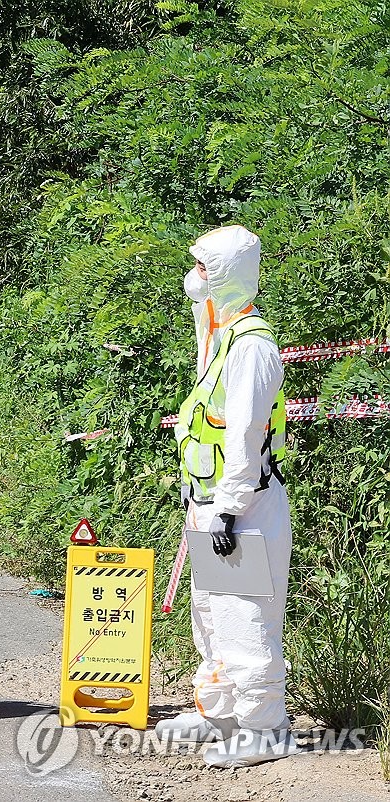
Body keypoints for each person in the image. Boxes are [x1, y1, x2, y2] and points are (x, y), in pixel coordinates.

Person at [157, 225, 297, 768]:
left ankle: (264, 728)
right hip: (213, 503)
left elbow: (244, 432)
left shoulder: (254, 347)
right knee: (211, 614)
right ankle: (219, 711)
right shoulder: (225, 337)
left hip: (243, 507)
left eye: (202, 268)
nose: (193, 277)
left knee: (245, 617)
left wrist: (231, 508)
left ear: (224, 275)